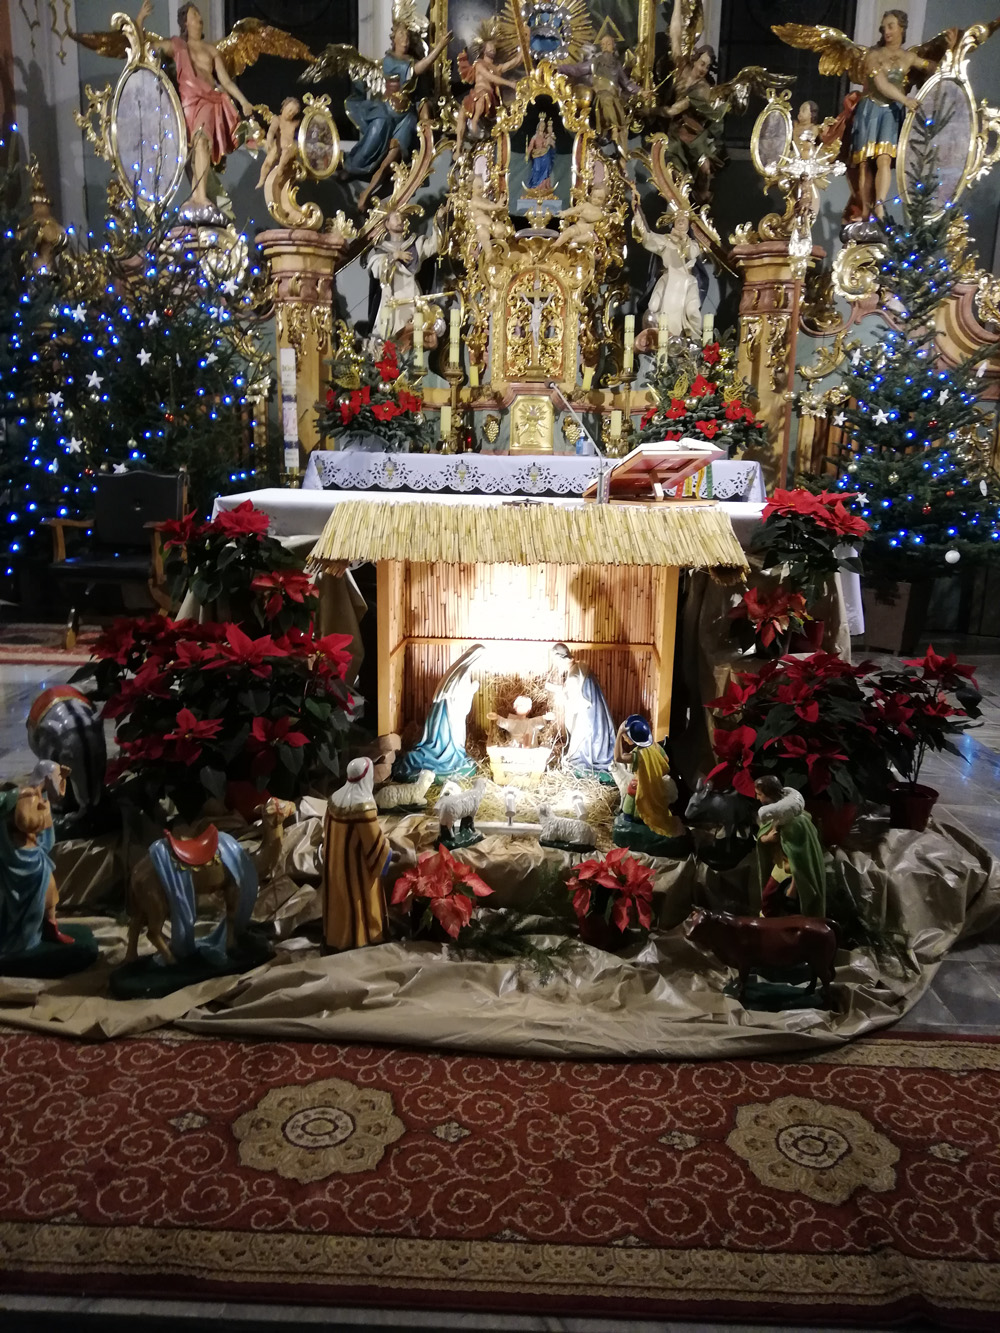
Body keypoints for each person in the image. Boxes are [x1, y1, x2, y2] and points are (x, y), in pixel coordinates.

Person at [137, 0, 254, 214]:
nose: (199, 18)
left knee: (202, 141)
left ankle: (200, 196)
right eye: (193, 15)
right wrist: (140, 19)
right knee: (191, 150)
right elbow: (143, 48)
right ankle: (196, 195)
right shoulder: (177, 45)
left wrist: (243, 101)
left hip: (209, 100)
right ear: (185, 23)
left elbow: (225, 81)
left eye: (198, 14)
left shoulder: (211, 50)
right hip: (188, 103)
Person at [348, 20, 451, 212]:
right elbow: (417, 70)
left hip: (406, 118)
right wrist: (439, 48)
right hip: (387, 112)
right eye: (401, 35)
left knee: (392, 161)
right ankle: (352, 169)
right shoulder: (390, 61)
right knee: (371, 144)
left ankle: (368, 195)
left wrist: (425, 113)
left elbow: (420, 94)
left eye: (407, 36)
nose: (405, 39)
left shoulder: (410, 60)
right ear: (393, 39)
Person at [323, 757, 392, 951]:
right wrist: (387, 851)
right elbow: (373, 844)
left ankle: (335, 939)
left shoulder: (334, 799)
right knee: (359, 904)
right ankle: (361, 939)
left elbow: (326, 831)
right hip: (356, 871)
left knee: (338, 903)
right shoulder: (364, 806)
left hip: (334, 865)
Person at [0, 784, 72, 959]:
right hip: (13, 876)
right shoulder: (5, 841)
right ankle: (20, 938)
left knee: (50, 895)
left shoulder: (33, 835)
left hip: (39, 866)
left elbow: (44, 832)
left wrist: (44, 794)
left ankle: (51, 927)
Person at [754, 775, 827, 917]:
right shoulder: (774, 817)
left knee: (786, 903)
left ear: (769, 794)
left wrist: (793, 888)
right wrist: (768, 838)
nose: (757, 798)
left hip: (791, 871)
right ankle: (770, 923)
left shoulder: (795, 824)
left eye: (759, 794)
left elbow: (800, 861)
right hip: (781, 865)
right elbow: (764, 835)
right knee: (768, 898)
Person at [631, 194, 701, 338]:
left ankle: (694, 339)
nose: (680, 221)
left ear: (688, 224)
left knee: (693, 311)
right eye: (678, 219)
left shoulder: (693, 244)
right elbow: (647, 237)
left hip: (687, 282)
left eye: (684, 219)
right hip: (668, 279)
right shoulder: (665, 241)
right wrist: (638, 212)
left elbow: (691, 253)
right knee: (653, 307)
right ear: (673, 222)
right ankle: (658, 337)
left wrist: (683, 240)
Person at [367, 209, 440, 341]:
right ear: (387, 224)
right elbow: (376, 269)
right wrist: (394, 256)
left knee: (414, 339)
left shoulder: (415, 246)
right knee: (391, 340)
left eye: (401, 218)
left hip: (412, 300)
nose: (400, 220)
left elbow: (434, 246)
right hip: (393, 303)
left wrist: (438, 221)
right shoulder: (382, 250)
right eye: (395, 218)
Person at [558, 31, 641, 147]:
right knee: (605, 98)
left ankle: (618, 138)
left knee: (614, 103)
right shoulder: (595, 62)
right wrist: (559, 67)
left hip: (615, 98)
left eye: (608, 44)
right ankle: (613, 128)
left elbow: (627, 83)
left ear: (613, 46)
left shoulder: (617, 65)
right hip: (601, 96)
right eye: (603, 44)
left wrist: (641, 91)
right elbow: (577, 70)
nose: (606, 46)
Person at [549, 643, 615, 772]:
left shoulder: (574, 676)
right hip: (594, 711)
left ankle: (584, 762)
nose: (555, 664)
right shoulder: (580, 667)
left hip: (586, 715)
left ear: (560, 659)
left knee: (582, 743)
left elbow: (574, 702)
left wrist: (559, 694)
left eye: (555, 661)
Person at [455, 39, 522, 155]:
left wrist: (523, 44)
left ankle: (475, 121)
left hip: (489, 98)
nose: (492, 49)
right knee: (462, 112)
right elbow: (491, 77)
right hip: (476, 94)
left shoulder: (497, 68)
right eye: (490, 47)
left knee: (484, 95)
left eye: (494, 47)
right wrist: (510, 83)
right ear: (484, 50)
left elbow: (516, 61)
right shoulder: (479, 64)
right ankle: (458, 147)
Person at [522, 114, 557, 196]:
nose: (542, 127)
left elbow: (552, 144)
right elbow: (530, 146)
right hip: (537, 156)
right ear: (538, 127)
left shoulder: (546, 136)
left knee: (546, 171)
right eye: (541, 126)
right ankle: (535, 186)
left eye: (543, 126)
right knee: (537, 170)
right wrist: (527, 155)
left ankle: (544, 188)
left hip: (546, 155)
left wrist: (551, 140)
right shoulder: (535, 137)